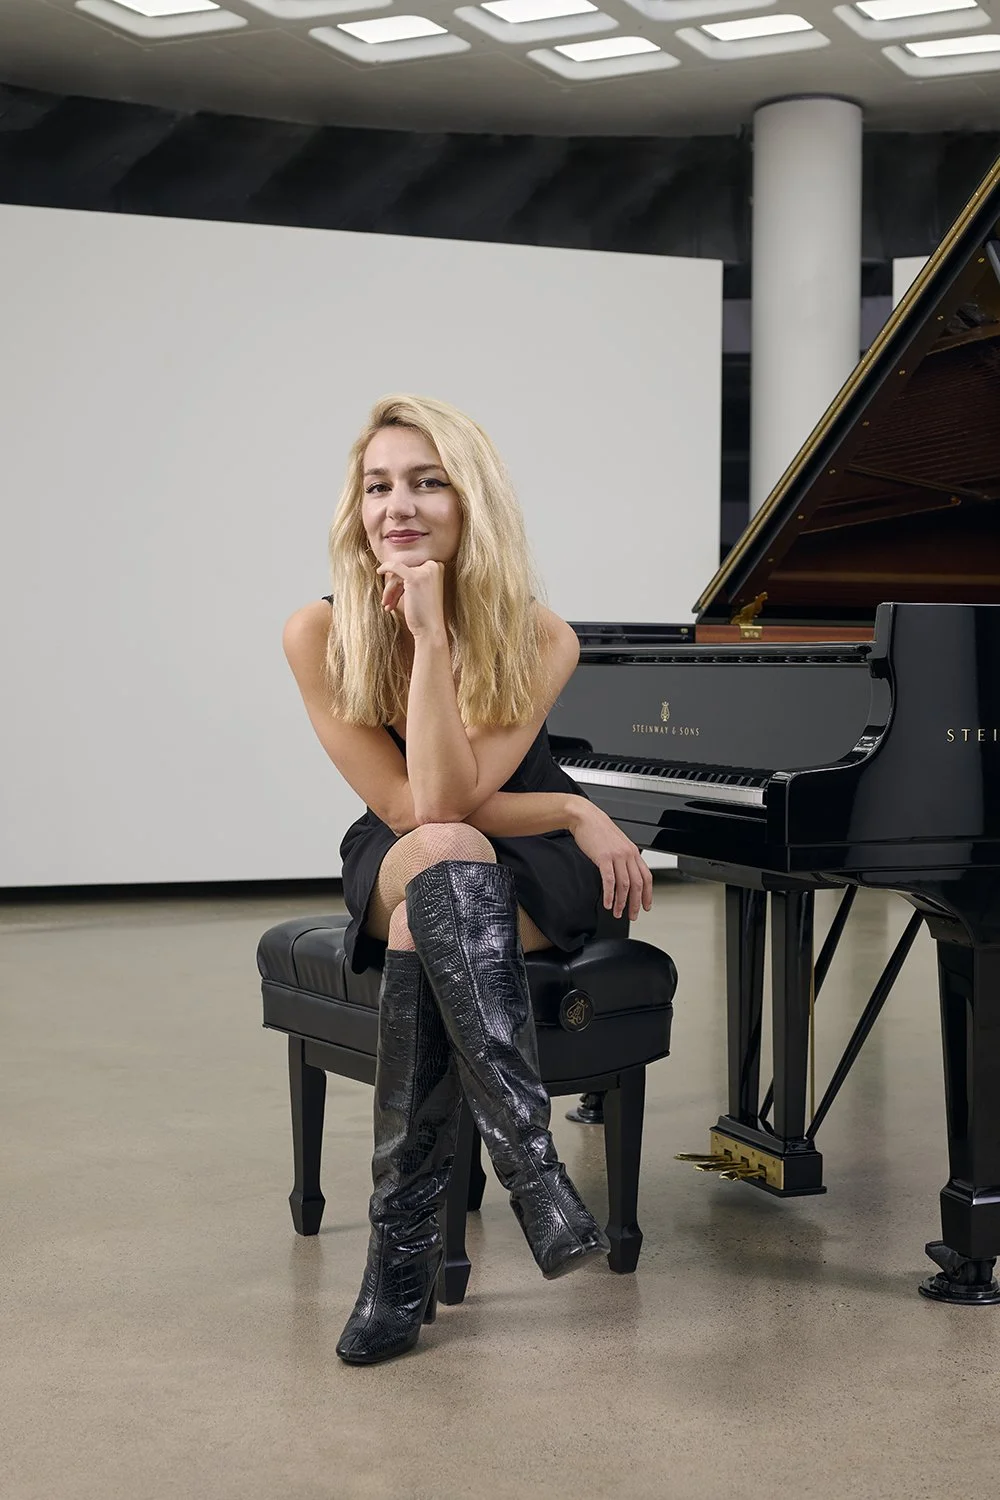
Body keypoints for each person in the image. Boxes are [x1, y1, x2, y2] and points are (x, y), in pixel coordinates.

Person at [282, 393, 653, 1365]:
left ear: (470, 501)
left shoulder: (541, 635)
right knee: (443, 855)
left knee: (433, 907)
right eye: (377, 487)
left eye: (426, 482)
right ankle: (534, 1174)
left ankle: (396, 1268)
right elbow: (417, 806)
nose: (397, 506)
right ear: (357, 508)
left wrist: (442, 635)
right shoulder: (318, 632)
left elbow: (459, 799)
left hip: (523, 863)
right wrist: (571, 807)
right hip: (405, 843)